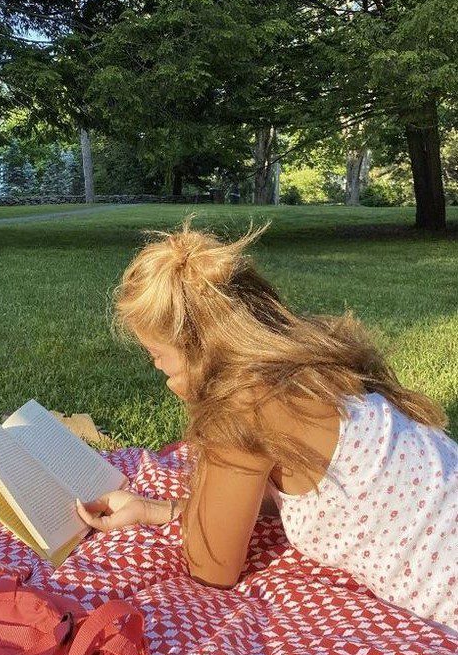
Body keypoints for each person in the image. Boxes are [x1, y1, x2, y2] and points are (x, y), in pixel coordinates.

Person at [75, 215, 458, 631]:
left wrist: (203, 413)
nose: (157, 367)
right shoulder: (308, 365)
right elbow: (271, 501)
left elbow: (211, 567)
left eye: (156, 354)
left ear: (194, 352)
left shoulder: (242, 405)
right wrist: (154, 510)